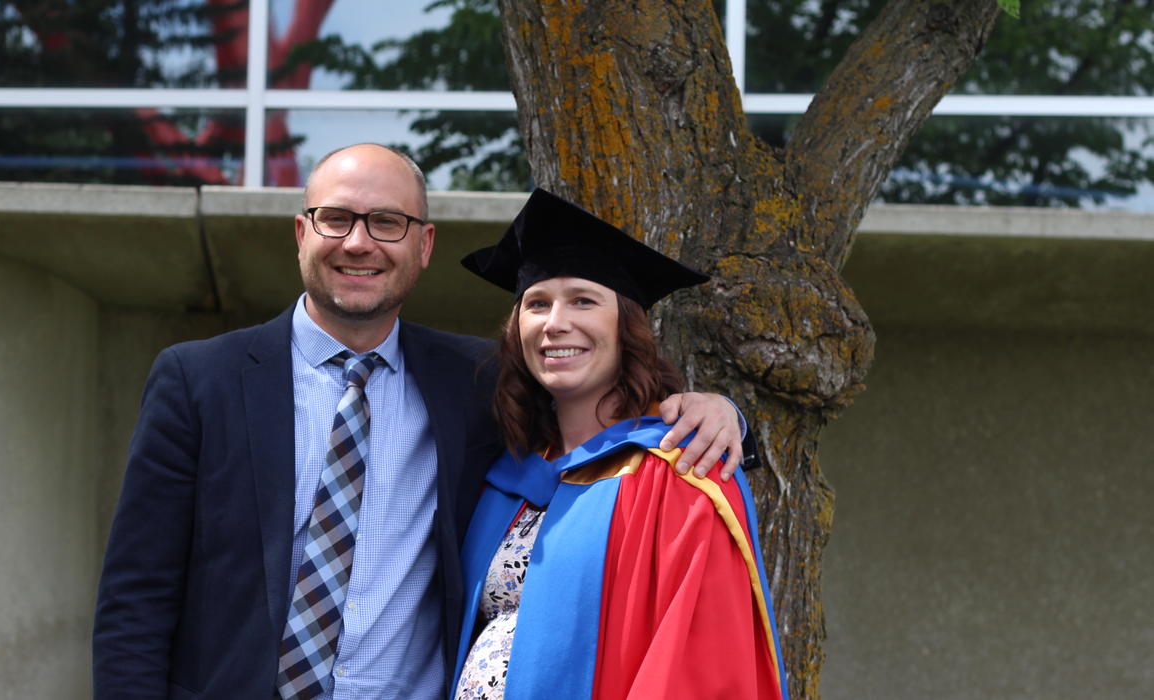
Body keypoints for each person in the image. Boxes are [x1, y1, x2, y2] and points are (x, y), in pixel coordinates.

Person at [92, 144, 747, 700]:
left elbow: (596, 399)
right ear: (301, 233)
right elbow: (137, 598)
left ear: (423, 244)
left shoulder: (472, 385)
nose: (358, 243)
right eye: (337, 219)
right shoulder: (199, 380)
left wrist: (719, 409)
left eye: (386, 222)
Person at [450, 189, 786, 700]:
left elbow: (694, 662)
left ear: (625, 326)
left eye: (583, 300)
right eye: (537, 303)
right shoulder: (506, 475)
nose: (555, 322)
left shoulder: (681, 472)